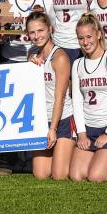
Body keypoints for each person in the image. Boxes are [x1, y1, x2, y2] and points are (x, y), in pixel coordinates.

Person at [70, 13, 107, 182]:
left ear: (99, 34)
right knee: (76, 176)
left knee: (95, 176)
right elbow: (77, 101)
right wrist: (81, 133)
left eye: (89, 36)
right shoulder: (77, 64)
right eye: (81, 38)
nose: (85, 42)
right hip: (89, 129)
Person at [27, 11, 76, 180]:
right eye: (32, 32)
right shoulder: (32, 55)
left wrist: (52, 129)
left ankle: (77, 152)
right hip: (42, 118)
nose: (36, 36)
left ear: (50, 29)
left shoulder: (60, 57)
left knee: (59, 175)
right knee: (41, 174)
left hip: (62, 119)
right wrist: (30, 63)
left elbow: (60, 97)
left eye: (40, 30)